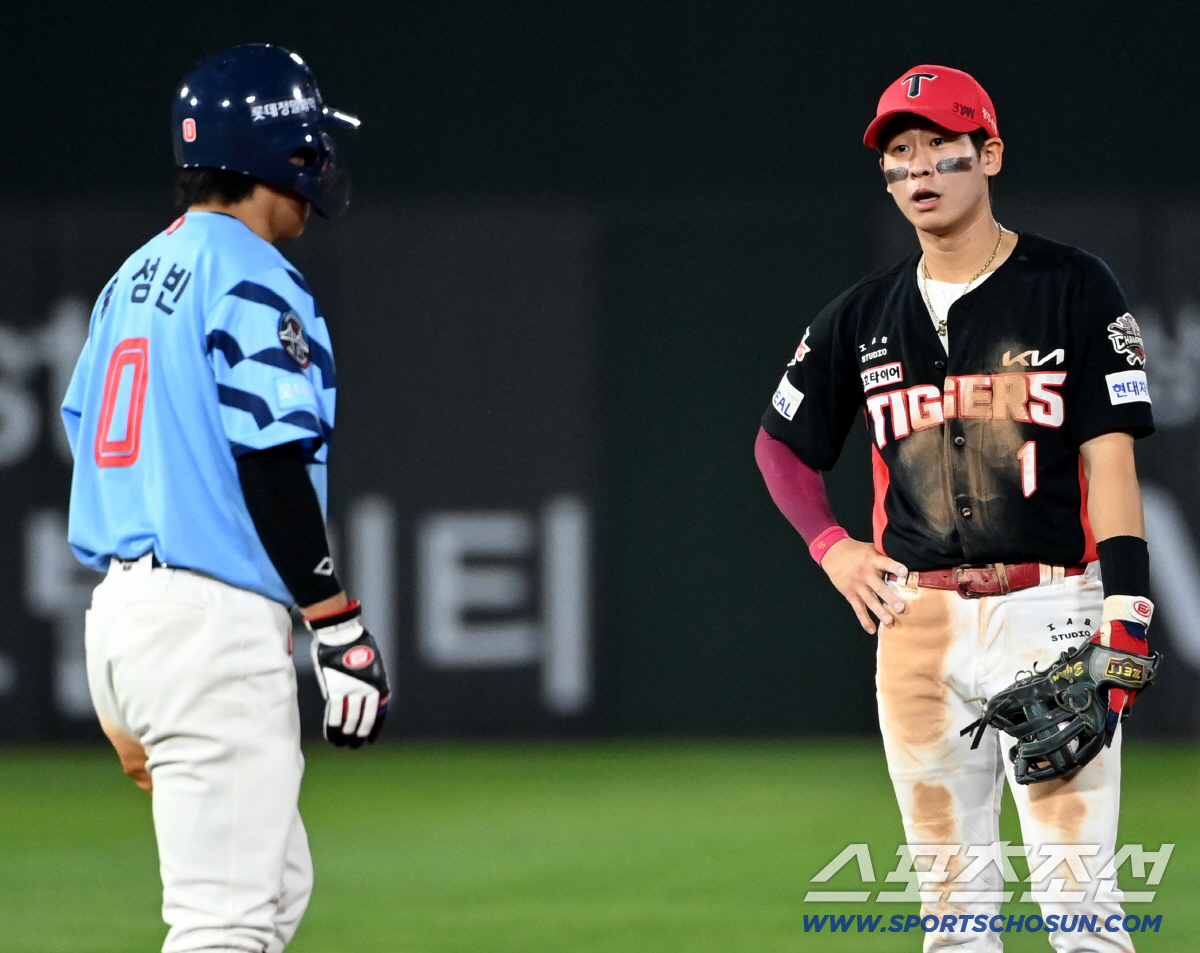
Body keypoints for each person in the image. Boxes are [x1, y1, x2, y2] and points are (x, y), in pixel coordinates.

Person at [756, 65, 1154, 950]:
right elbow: (778, 443)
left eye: (942, 145)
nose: (920, 170)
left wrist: (1126, 611)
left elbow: (1110, 461)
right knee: (952, 919)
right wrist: (832, 546)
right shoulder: (862, 316)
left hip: (1049, 608)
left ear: (991, 154)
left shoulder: (1072, 284)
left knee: (1081, 911)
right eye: (901, 154)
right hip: (918, 623)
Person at [61, 45, 389, 952]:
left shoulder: (129, 278)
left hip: (123, 621)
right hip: (205, 627)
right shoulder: (249, 271)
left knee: (273, 891)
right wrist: (337, 621)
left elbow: (84, 425)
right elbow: (272, 454)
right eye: (311, 135)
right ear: (279, 153)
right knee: (225, 924)